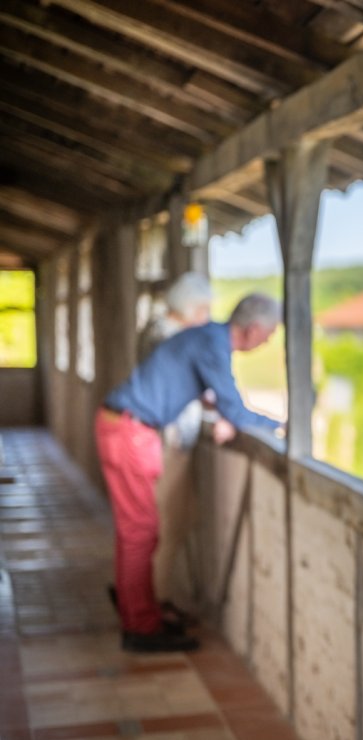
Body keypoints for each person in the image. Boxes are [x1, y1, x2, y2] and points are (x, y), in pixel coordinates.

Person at [97, 293, 283, 652]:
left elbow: (202, 391)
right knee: (141, 533)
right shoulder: (213, 344)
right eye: (270, 333)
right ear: (254, 329)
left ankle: (139, 611)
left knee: (136, 532)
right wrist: (280, 425)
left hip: (123, 426)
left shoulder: (206, 336)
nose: (269, 340)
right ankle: (141, 627)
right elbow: (237, 410)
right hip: (131, 432)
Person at [139, 273, 212, 627]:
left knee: (176, 521)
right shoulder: (167, 339)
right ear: (190, 308)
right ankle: (156, 603)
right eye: (204, 310)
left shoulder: (159, 335)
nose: (207, 318)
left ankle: (155, 599)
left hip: (170, 441)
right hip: (168, 444)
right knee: (166, 523)